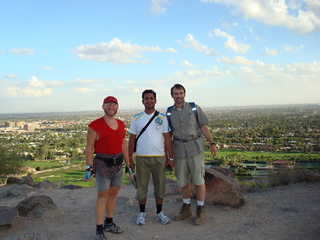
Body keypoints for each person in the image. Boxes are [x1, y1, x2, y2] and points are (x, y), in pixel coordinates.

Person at [166, 84, 217, 225]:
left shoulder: (194, 108)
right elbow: (168, 135)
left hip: (195, 148)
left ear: (185, 94)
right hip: (179, 150)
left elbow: (203, 127)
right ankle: (186, 207)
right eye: (176, 93)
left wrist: (212, 143)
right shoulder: (169, 112)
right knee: (183, 181)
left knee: (198, 180)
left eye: (181, 93)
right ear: (172, 96)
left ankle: (200, 209)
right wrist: (169, 156)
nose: (179, 96)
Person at [85, 96, 131, 240]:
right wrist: (88, 167)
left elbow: (124, 145)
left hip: (117, 164)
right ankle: (99, 229)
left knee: (113, 195)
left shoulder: (121, 124)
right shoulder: (94, 126)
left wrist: (129, 164)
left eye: (114, 105)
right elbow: (89, 147)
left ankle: (109, 222)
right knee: (102, 197)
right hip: (102, 164)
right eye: (108, 104)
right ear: (103, 107)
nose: (112, 107)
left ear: (117, 107)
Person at [128, 89, 174, 226]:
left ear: (155, 100)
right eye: (146, 98)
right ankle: (142, 213)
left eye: (151, 98)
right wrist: (130, 158)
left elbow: (167, 139)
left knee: (160, 186)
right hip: (142, 157)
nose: (149, 100)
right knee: (141, 186)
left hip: (159, 157)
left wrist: (170, 158)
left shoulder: (162, 117)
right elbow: (131, 139)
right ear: (143, 101)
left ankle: (159, 212)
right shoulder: (136, 118)